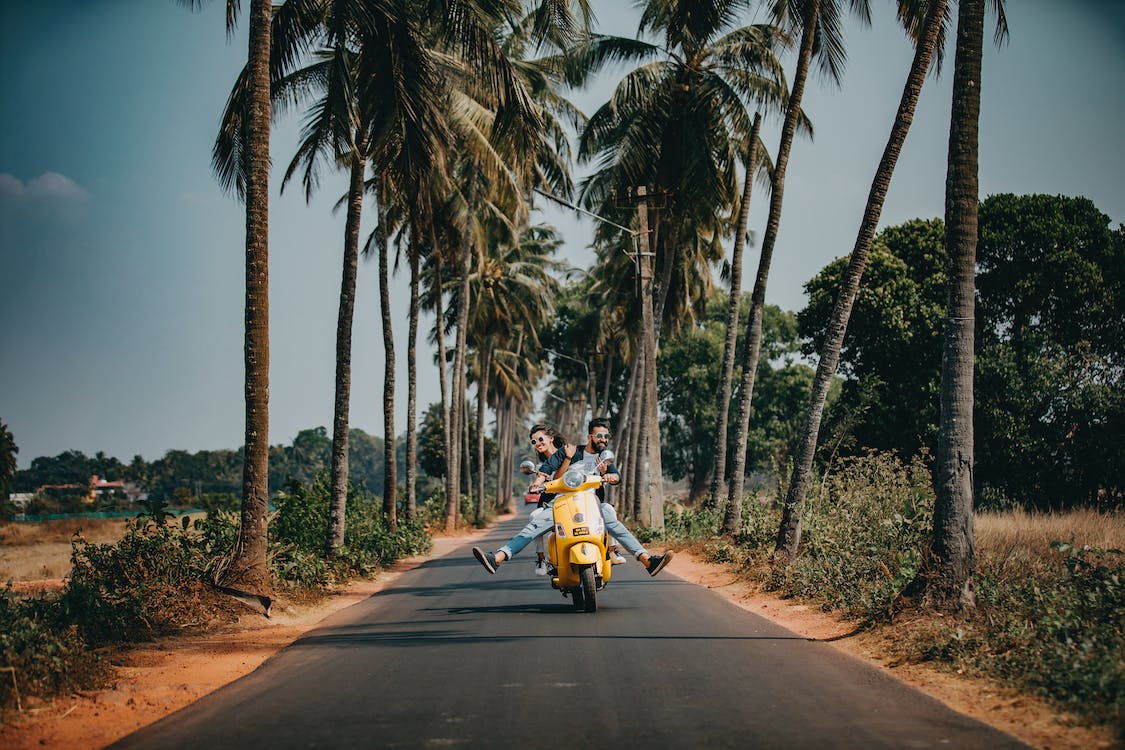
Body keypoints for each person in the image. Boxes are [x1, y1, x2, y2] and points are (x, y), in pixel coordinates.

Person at [472, 419, 673, 577]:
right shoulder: (566, 452)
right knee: (533, 526)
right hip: (560, 504)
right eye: (599, 435)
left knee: (612, 519)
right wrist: (537, 482)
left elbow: (615, 475)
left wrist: (611, 476)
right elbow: (546, 471)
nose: (602, 439)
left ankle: (646, 560)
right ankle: (498, 558)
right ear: (590, 436)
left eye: (605, 436)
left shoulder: (601, 458)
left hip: (591, 503)